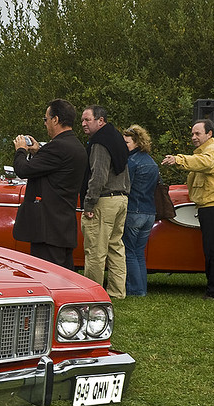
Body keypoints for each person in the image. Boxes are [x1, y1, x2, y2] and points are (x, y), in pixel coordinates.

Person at [162, 119, 214, 299]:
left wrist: (178, 159)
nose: (194, 137)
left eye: (198, 133)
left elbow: (203, 163)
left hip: (213, 206)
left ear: (209, 134)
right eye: (192, 134)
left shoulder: (211, 152)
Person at [12, 99, 87, 270]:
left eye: (46, 119)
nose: (45, 124)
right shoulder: (76, 146)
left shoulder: (57, 147)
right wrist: (39, 152)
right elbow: (54, 169)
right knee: (63, 275)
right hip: (63, 223)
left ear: (55, 119)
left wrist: (21, 150)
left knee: (47, 275)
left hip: (48, 227)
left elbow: (23, 169)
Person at [80, 105, 131, 299]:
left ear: (100, 120)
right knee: (116, 247)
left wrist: (89, 203)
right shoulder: (117, 138)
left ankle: (92, 295)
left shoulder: (100, 142)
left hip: (104, 200)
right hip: (121, 198)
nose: (84, 124)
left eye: (88, 120)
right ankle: (117, 292)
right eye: (83, 121)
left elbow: (98, 176)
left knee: (95, 250)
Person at [122, 125, 159, 296]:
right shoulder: (152, 163)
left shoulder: (131, 162)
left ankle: (135, 290)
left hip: (133, 211)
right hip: (149, 213)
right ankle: (141, 288)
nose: (125, 145)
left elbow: (125, 185)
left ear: (136, 142)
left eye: (127, 142)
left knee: (129, 251)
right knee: (139, 252)